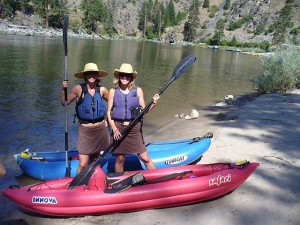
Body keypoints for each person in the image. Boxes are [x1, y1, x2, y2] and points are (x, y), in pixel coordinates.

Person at [107, 63, 160, 172]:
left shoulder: (138, 91)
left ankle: (157, 178)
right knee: (120, 158)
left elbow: (143, 111)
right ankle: (119, 182)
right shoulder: (113, 91)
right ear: (119, 76)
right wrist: (114, 129)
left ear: (131, 77)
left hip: (134, 128)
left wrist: (154, 104)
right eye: (122, 75)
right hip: (119, 129)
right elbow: (108, 113)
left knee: (145, 158)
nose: (124, 77)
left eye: (127, 75)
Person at [61, 63, 110, 174]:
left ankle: (93, 184)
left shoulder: (102, 90)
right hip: (85, 130)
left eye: (94, 73)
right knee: (82, 164)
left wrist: (108, 119)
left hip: (100, 129)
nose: (91, 76)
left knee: (94, 161)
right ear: (84, 76)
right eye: (88, 73)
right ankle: (78, 186)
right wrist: (63, 89)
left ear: (97, 75)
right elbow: (64, 102)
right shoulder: (78, 89)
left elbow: (113, 104)